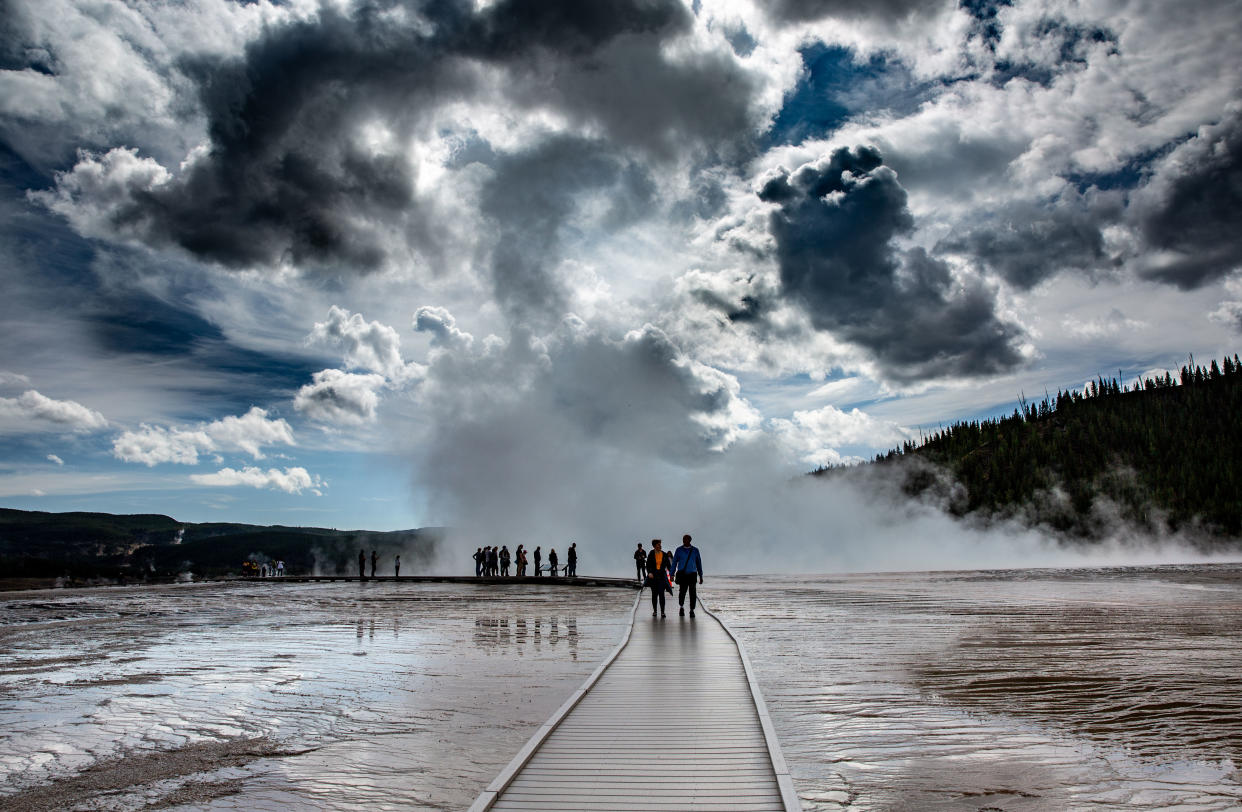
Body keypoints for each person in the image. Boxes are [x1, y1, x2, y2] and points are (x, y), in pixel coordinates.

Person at [671, 533, 704, 618]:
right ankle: (681, 607)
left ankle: (692, 610)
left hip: (692, 574)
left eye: (686, 539)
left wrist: (700, 575)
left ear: (690, 540)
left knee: (692, 593)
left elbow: (699, 563)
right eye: (683, 539)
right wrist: (671, 574)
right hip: (683, 575)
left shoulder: (695, 550)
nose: (684, 541)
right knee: (682, 592)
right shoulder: (679, 550)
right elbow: (674, 562)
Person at [646, 539, 671, 617]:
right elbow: (648, 565)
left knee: (661, 594)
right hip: (653, 577)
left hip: (661, 577)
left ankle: (663, 612)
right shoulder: (651, 553)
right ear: (654, 546)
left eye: (660, 544)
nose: (660, 546)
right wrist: (649, 572)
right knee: (654, 595)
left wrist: (672, 573)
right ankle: (655, 611)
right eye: (658, 544)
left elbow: (668, 565)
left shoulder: (664, 554)